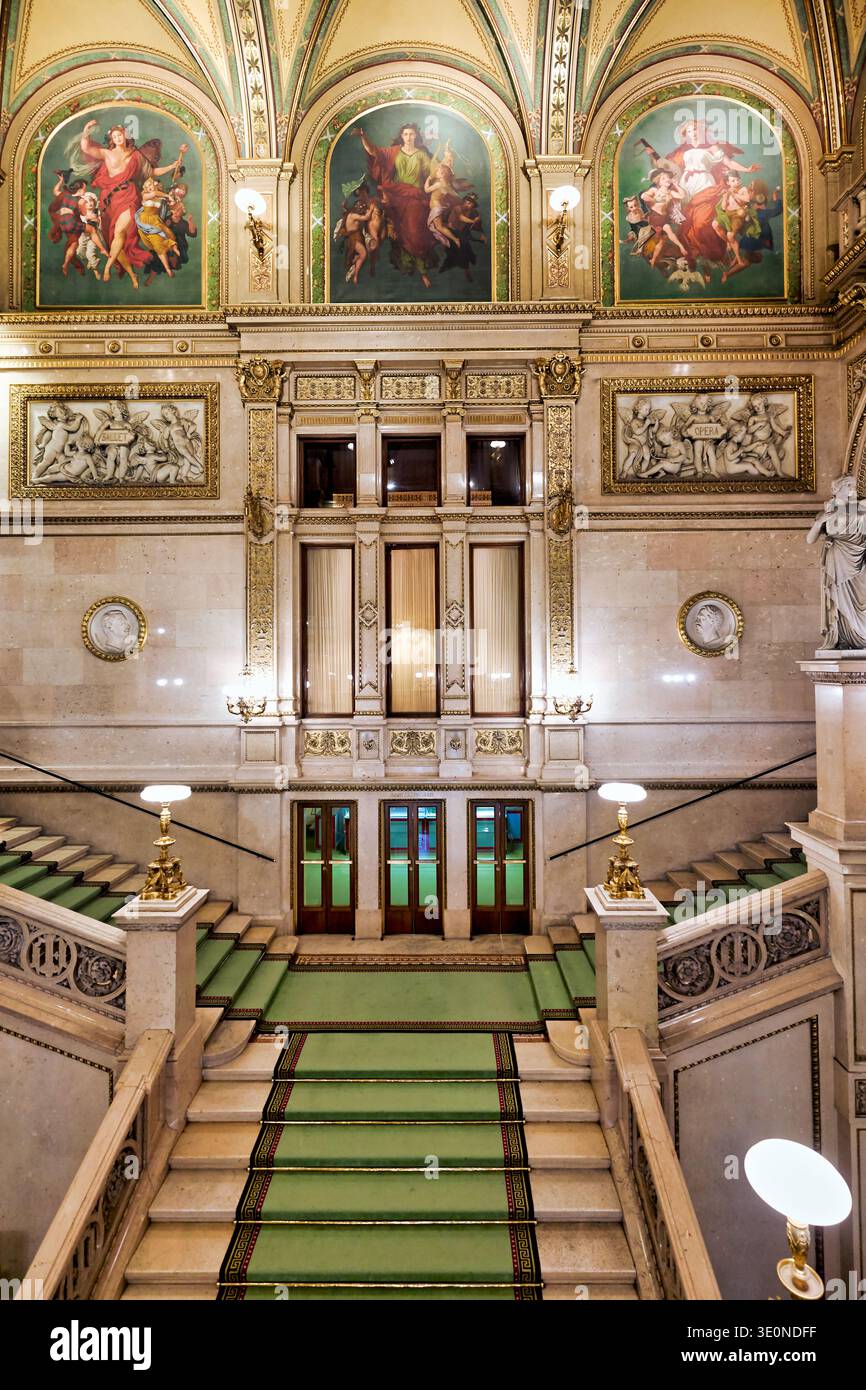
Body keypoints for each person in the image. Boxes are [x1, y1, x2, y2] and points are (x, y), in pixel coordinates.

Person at [78, 120, 188, 288]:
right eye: (114, 136)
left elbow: (151, 172)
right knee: (114, 237)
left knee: (121, 231)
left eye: (120, 134)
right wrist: (86, 131)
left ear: (125, 136)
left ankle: (108, 267)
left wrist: (171, 166)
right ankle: (129, 273)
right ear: (112, 139)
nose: (117, 138)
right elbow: (86, 148)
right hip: (110, 200)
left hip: (129, 195)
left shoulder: (135, 155)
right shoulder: (107, 153)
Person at [355, 122, 437, 287]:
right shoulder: (393, 152)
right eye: (406, 134)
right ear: (402, 136)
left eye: (411, 134)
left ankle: (422, 269)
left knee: (416, 233)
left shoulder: (421, 154)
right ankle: (407, 264)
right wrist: (363, 137)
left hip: (415, 197)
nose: (408, 137)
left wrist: (445, 165)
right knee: (398, 232)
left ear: (416, 136)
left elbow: (433, 171)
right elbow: (373, 151)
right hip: (396, 196)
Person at [806, 476, 866, 650]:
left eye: (853, 486)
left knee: (862, 598)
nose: (852, 490)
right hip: (838, 560)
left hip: (859, 559)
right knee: (839, 599)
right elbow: (810, 540)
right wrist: (819, 521)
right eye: (848, 486)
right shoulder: (827, 512)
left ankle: (860, 637)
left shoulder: (860, 509)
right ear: (837, 489)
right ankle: (844, 637)